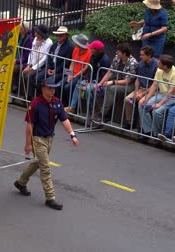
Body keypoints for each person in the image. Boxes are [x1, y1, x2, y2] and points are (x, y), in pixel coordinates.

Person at [13, 80, 79, 210]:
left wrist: (72, 134)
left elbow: (64, 119)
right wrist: (28, 144)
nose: (52, 91)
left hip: (49, 139)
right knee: (45, 168)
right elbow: (29, 125)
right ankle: (50, 198)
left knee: (37, 163)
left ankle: (21, 182)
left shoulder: (57, 103)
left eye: (53, 88)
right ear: (42, 89)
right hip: (38, 139)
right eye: (49, 88)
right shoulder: (35, 104)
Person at [138, 54, 175, 137]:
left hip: (173, 97)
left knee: (157, 112)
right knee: (142, 105)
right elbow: (154, 85)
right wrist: (146, 99)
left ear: (165, 66)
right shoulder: (159, 70)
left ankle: (157, 134)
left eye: (159, 63)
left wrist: (159, 104)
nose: (157, 63)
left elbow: (171, 92)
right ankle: (148, 130)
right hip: (161, 94)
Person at [93, 43, 138, 123]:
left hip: (129, 85)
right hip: (117, 79)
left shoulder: (133, 63)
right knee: (98, 88)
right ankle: (99, 112)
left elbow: (128, 80)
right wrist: (100, 83)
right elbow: (110, 72)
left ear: (124, 53)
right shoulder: (117, 58)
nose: (116, 52)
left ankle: (103, 114)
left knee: (112, 88)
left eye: (118, 51)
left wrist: (113, 82)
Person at [65, 40, 111, 114]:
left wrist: (91, 83)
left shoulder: (105, 60)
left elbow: (103, 75)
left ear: (96, 50)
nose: (90, 49)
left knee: (88, 89)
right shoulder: (92, 56)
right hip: (89, 79)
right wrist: (87, 80)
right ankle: (72, 107)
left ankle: (93, 109)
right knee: (79, 85)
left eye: (92, 48)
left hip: (99, 82)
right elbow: (90, 70)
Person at [123, 45, 158, 129]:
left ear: (149, 55)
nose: (140, 56)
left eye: (142, 55)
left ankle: (143, 127)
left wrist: (142, 94)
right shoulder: (141, 64)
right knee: (127, 100)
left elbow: (155, 85)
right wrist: (136, 91)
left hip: (151, 90)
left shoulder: (156, 65)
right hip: (141, 88)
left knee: (141, 103)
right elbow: (138, 79)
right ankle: (129, 122)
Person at [57, 33, 91, 106]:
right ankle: (61, 104)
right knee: (60, 84)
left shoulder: (89, 53)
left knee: (67, 87)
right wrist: (69, 74)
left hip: (80, 75)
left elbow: (85, 68)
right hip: (71, 72)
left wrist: (74, 76)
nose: (74, 43)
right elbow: (72, 63)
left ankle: (69, 106)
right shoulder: (75, 49)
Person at [22, 24, 53, 99]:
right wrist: (29, 65)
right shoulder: (35, 39)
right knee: (23, 72)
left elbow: (44, 59)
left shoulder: (49, 43)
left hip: (42, 66)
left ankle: (31, 97)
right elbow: (31, 52)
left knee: (29, 76)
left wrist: (33, 68)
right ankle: (24, 95)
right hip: (33, 64)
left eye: (37, 32)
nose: (35, 33)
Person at [11, 21, 34, 96]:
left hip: (24, 61)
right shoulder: (19, 36)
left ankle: (14, 89)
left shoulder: (29, 39)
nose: (18, 29)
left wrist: (17, 61)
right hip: (16, 58)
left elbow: (26, 55)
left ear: (24, 29)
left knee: (14, 69)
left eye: (20, 28)